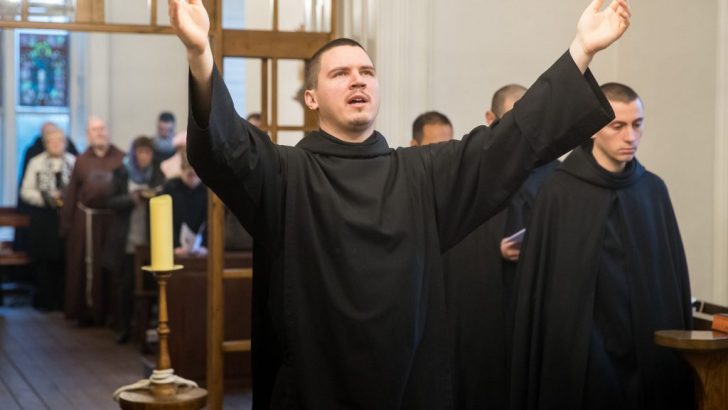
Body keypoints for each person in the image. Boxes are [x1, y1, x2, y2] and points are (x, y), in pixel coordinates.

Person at [169, 0, 630, 407]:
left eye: (367, 72)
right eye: (340, 73)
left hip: (409, 387)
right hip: (312, 388)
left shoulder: (422, 173)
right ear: (311, 98)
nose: (358, 80)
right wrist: (200, 53)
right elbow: (226, 148)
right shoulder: (286, 174)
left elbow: (510, 141)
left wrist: (581, 51)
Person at [510, 83, 694, 410]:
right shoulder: (559, 192)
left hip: (646, 353)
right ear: (594, 129)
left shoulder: (652, 191)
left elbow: (671, 280)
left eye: (637, 125)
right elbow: (543, 291)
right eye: (618, 126)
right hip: (582, 357)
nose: (630, 137)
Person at [438, 83, 560, 410]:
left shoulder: (556, 173)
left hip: (537, 307)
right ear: (492, 118)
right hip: (484, 310)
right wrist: (492, 251)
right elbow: (451, 237)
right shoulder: (472, 168)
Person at [60, 116, 125, 325]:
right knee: (87, 266)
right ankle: (88, 311)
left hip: (113, 219)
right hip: (87, 220)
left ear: (108, 131)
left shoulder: (121, 158)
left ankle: (112, 313)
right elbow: (72, 193)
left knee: (111, 265)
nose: (99, 133)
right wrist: (67, 224)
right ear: (88, 134)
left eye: (102, 128)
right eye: (94, 130)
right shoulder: (81, 160)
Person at [103, 136, 165, 343]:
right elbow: (110, 201)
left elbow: (164, 196)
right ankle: (124, 327)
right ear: (134, 154)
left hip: (151, 238)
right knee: (126, 284)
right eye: (140, 152)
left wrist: (153, 196)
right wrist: (130, 198)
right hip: (127, 236)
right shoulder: (122, 173)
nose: (144, 157)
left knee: (150, 286)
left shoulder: (158, 174)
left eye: (147, 152)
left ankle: (147, 329)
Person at [20, 127, 76, 311]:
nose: (56, 144)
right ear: (46, 144)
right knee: (45, 260)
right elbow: (26, 191)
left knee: (64, 258)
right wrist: (46, 198)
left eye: (60, 141)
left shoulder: (73, 162)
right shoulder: (36, 162)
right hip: (44, 218)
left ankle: (64, 300)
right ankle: (46, 300)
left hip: (67, 217)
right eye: (52, 141)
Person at [161, 151, 208, 257]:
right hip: (174, 247)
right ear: (182, 170)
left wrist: (205, 246)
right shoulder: (170, 188)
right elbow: (165, 220)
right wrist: (175, 246)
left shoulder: (207, 190)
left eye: (196, 175)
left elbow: (209, 222)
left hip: (201, 249)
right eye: (190, 175)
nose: (193, 179)